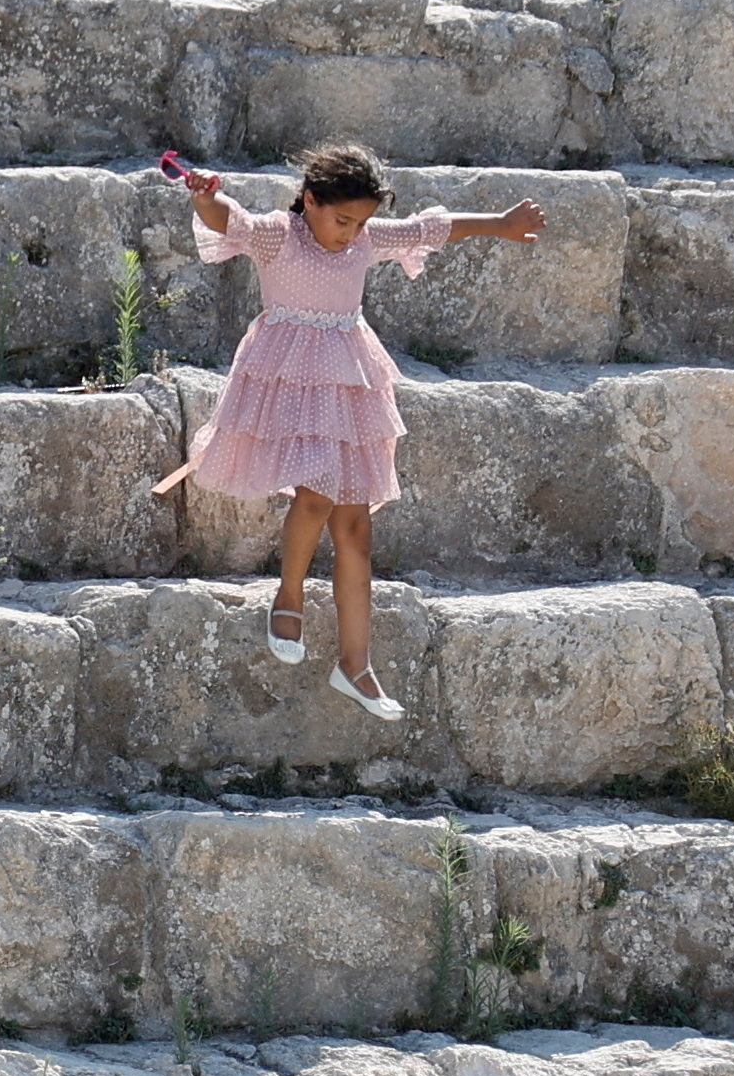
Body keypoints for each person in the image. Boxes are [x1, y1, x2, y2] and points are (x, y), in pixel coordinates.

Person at [154, 142, 545, 719]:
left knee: (357, 526)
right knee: (315, 494)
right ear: (310, 200)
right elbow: (228, 220)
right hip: (289, 382)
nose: (351, 232)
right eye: (342, 219)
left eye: (360, 221)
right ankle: (288, 597)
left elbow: (424, 230)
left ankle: (355, 665)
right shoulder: (279, 236)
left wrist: (500, 224)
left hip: (350, 385)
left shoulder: (363, 239)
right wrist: (206, 196)